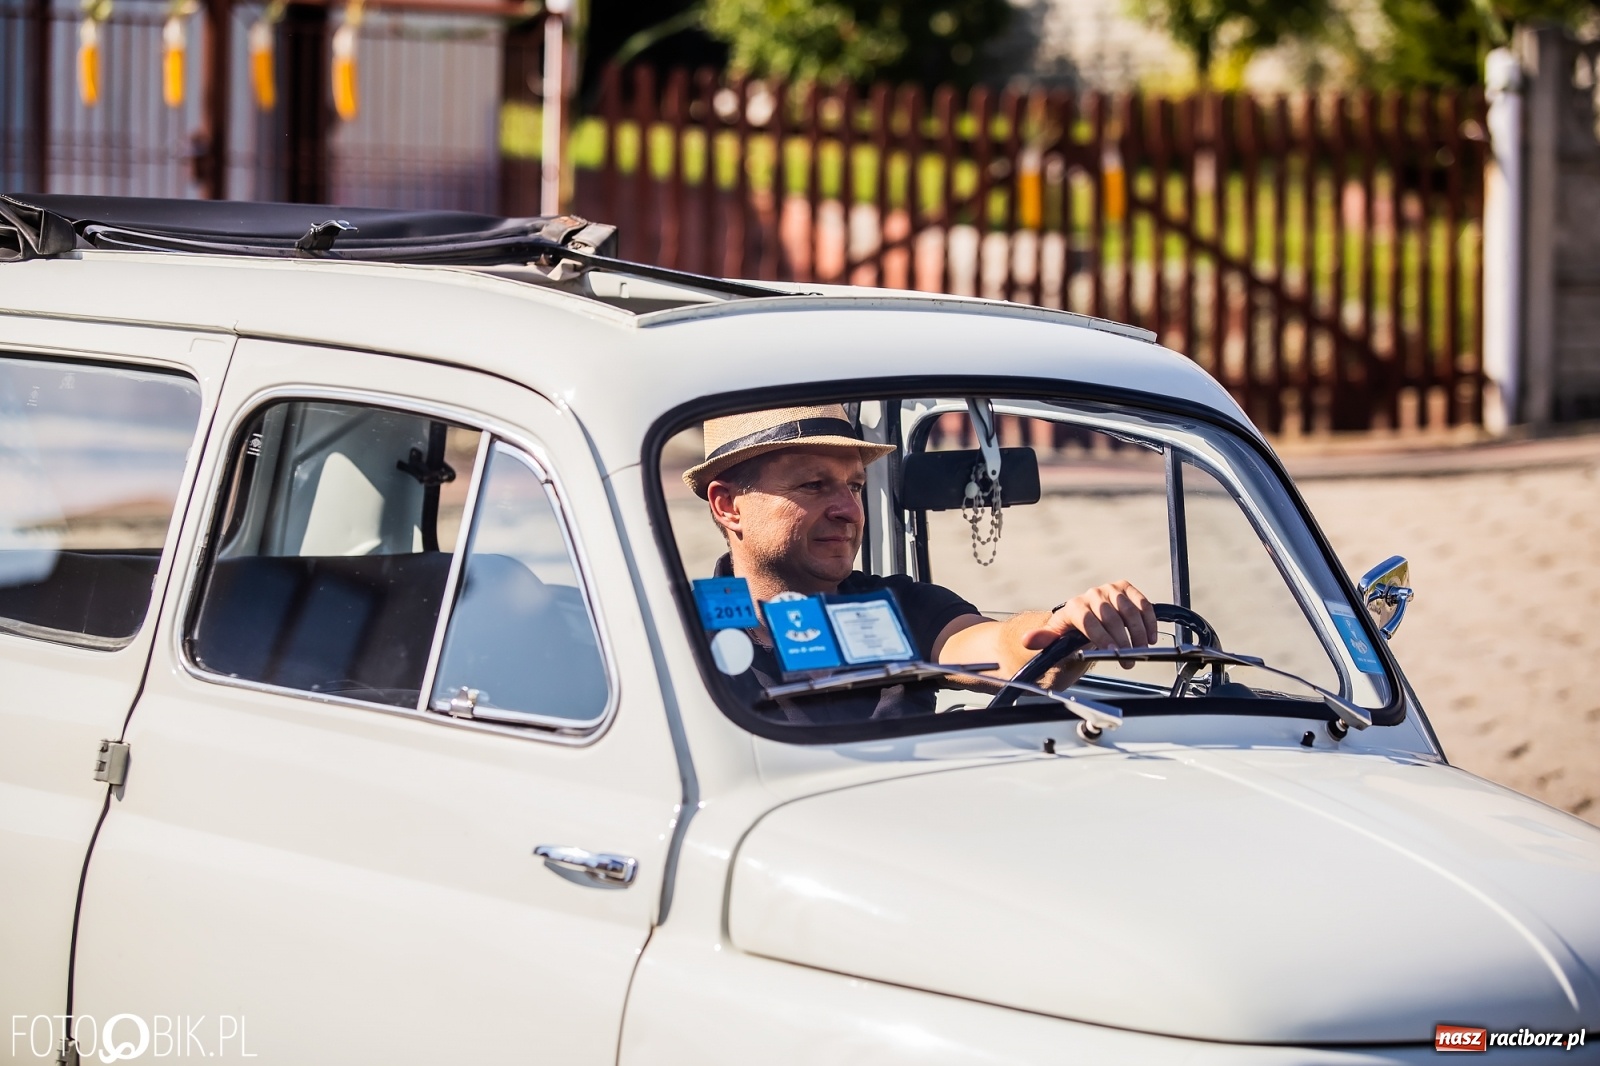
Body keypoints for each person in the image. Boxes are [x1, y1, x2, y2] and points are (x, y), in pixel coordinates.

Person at [684, 404, 1158, 724]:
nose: (848, 510)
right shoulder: (677, 626)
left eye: (853, 487)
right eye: (813, 485)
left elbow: (993, 647)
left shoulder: (899, 604)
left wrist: (1062, 628)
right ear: (728, 505)